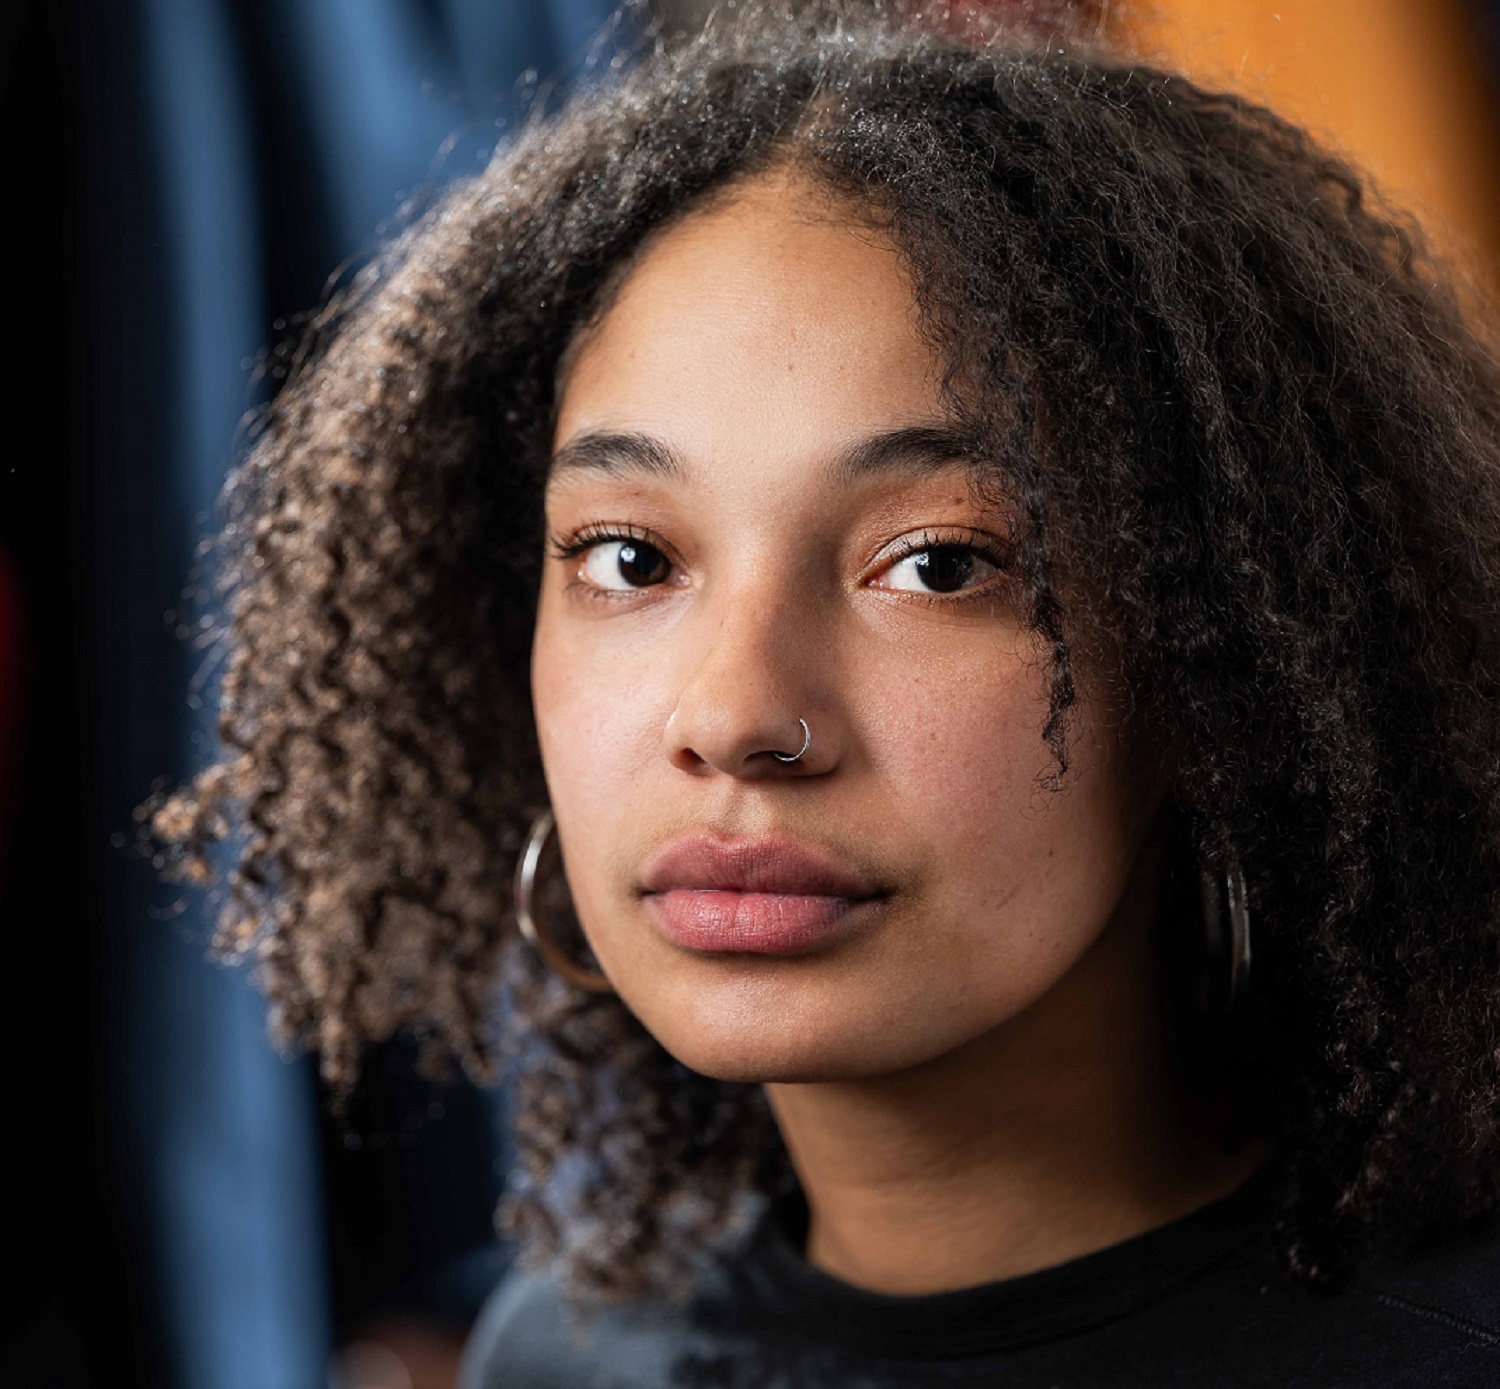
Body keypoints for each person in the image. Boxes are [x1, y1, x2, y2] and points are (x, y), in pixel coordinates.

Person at [143, 1, 1500, 1383]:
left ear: (1224, 652)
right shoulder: (560, 1357)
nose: (733, 718)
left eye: (938, 564)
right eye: (629, 557)